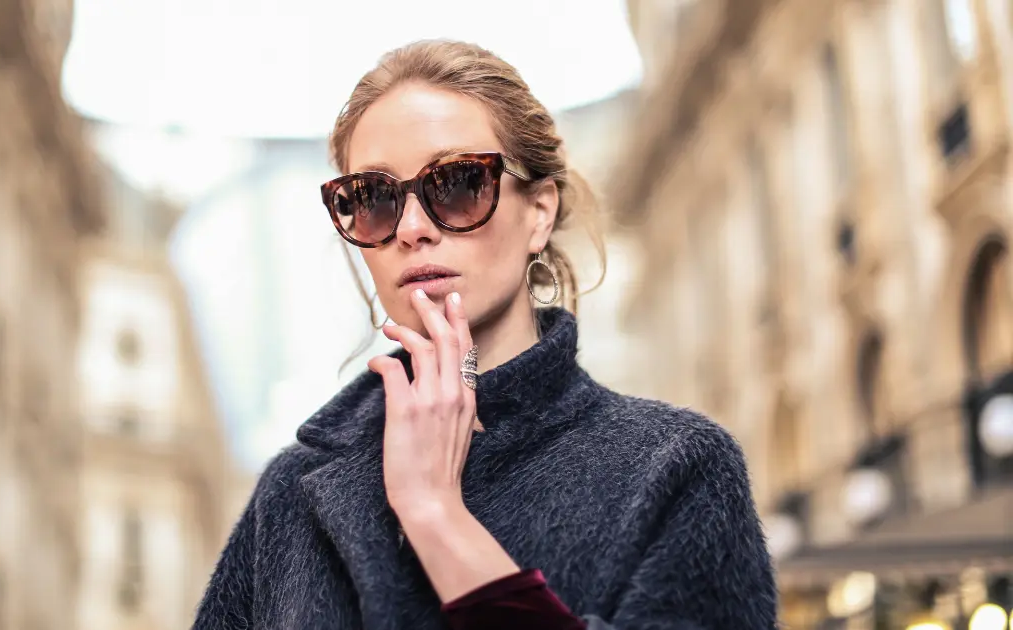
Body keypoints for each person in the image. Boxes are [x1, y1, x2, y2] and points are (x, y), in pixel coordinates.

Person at [192, 40, 777, 630]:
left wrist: (436, 515)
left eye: (457, 184)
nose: (412, 229)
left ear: (539, 212)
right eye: (373, 199)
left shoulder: (674, 468)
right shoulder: (292, 492)